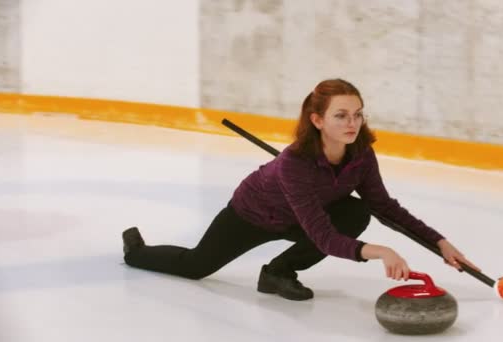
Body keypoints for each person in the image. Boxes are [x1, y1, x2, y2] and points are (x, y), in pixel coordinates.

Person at [122, 78, 480, 301]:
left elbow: (385, 207)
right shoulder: (295, 163)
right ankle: (136, 252)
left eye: (358, 114)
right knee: (196, 265)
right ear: (317, 120)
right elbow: (323, 237)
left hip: (303, 218)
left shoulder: (361, 155)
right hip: (254, 215)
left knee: (357, 212)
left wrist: (441, 243)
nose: (352, 123)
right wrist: (381, 251)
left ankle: (277, 272)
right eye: (341, 115)